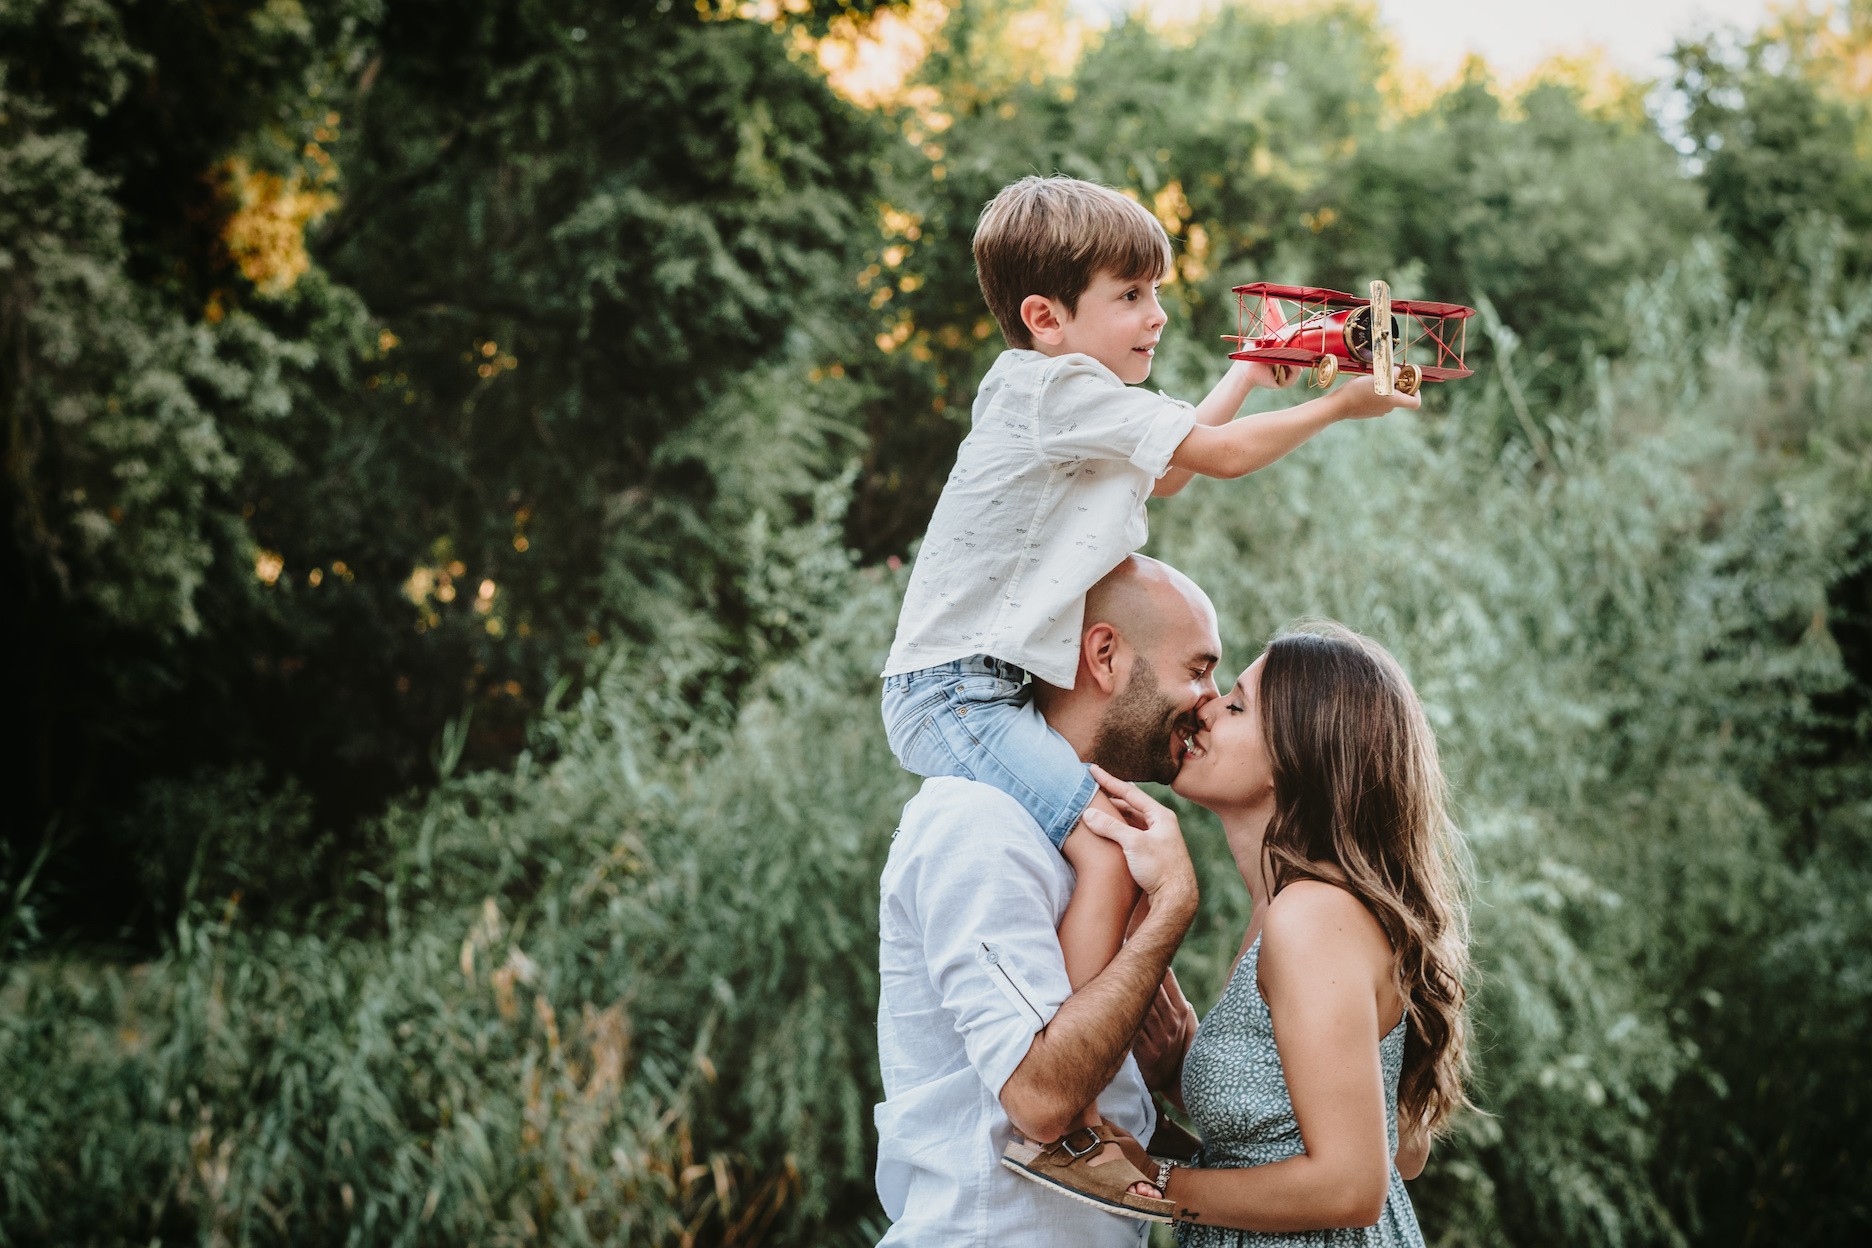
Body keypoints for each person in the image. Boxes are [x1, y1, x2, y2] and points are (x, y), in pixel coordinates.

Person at [879, 174, 1420, 1215]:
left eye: (1155, 293)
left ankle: (1096, 1098)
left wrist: (1250, 371)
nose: (1157, 315)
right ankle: (1074, 1125)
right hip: (957, 693)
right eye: (1130, 295)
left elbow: (1170, 470)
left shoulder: (1072, 406)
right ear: (1047, 318)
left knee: (1103, 843)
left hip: (973, 687)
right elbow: (1214, 459)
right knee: (1103, 846)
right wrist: (1339, 404)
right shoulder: (1050, 391)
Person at [1084, 621, 1472, 1245]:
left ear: (1298, 758)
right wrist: (1185, 1065)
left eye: (1236, 705)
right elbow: (1399, 1146)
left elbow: (1354, 1185)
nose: (1205, 708)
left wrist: (1150, 1183)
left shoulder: (1311, 918)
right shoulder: (1290, 909)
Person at [876, 555, 1219, 1242]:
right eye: (1199, 669)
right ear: (1105, 656)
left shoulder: (1104, 843)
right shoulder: (978, 823)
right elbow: (1041, 1101)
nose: (1210, 701)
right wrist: (1173, 909)